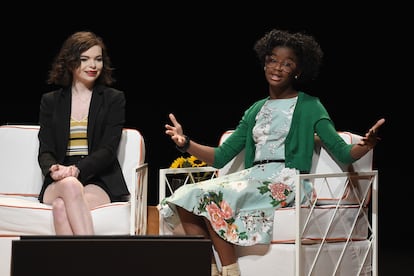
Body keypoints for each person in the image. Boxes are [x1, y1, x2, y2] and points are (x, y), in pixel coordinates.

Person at [159, 28, 385, 276]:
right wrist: (185, 143)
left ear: (298, 71)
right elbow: (222, 156)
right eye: (273, 60)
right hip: (253, 176)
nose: (278, 68)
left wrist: (367, 144)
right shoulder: (256, 109)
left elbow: (343, 152)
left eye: (287, 64)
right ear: (264, 63)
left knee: (212, 196)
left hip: (287, 180)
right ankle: (210, 268)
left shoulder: (310, 105)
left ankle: (230, 271)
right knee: (185, 196)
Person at [37, 31, 129, 235]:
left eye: (98, 59)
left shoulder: (113, 99)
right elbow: (45, 149)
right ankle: (93, 261)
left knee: (61, 207)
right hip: (60, 178)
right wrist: (54, 169)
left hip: (98, 178)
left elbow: (108, 149)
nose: (93, 65)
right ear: (70, 62)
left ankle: (74, 266)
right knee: (69, 186)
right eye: (85, 59)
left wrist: (77, 169)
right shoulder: (50, 101)